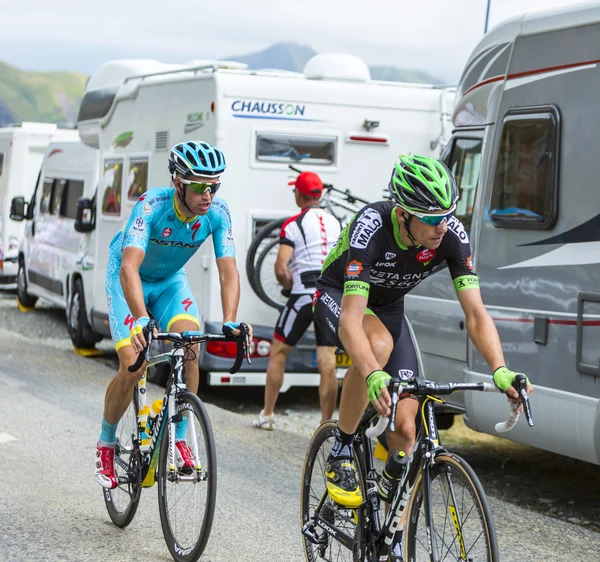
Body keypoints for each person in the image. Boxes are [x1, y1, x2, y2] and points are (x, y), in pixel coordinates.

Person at [312, 154, 533, 508]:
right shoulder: (371, 226)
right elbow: (352, 320)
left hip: (388, 308)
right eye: (431, 219)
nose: (441, 226)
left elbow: (475, 313)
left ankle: (385, 524)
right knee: (378, 345)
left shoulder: (450, 234)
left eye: (447, 215)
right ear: (403, 214)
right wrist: (371, 374)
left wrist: (500, 369)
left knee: (406, 429)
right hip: (339, 295)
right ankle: (342, 445)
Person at [95, 141, 253, 488]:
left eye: (214, 186)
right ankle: (106, 444)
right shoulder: (151, 206)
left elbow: (228, 271)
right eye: (198, 186)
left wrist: (230, 319)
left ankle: (180, 436)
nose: (207, 195)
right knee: (132, 362)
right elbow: (129, 267)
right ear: (178, 182)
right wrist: (140, 318)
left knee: (191, 346)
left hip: (169, 283)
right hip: (129, 280)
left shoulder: (217, 213)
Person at [254, 172, 342, 430]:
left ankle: (268, 415)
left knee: (278, 352)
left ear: (299, 195)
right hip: (331, 298)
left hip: (303, 296)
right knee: (328, 360)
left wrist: (288, 283)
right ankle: (326, 425)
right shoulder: (336, 222)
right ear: (320, 195)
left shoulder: (292, 224)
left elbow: (281, 270)